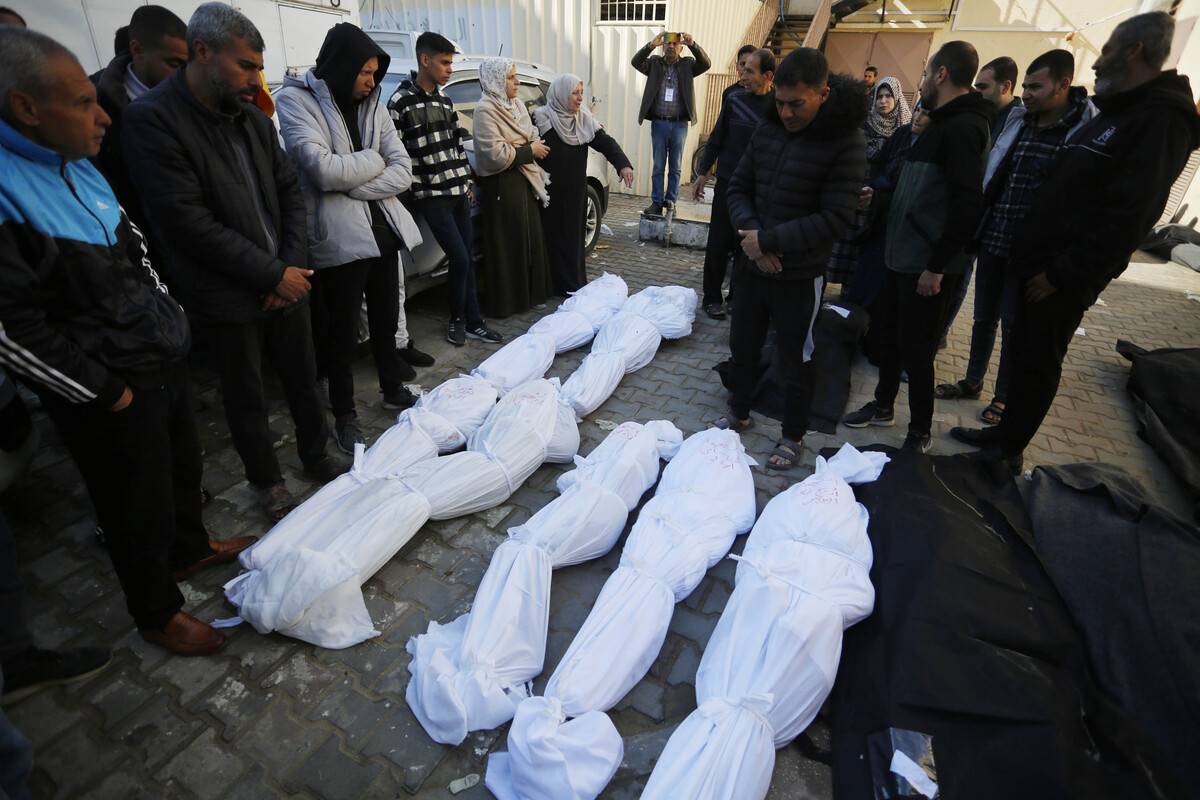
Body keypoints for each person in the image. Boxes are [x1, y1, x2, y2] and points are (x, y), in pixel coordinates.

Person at [0, 27, 255, 654]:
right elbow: (13, 331)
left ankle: (191, 548)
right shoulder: (7, 191)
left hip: (157, 357)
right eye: (84, 102)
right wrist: (104, 392)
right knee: (131, 503)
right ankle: (156, 610)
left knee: (180, 470)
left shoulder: (78, 166)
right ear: (27, 108)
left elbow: (137, 252)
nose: (104, 116)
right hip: (107, 384)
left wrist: (170, 318)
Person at [123, 3, 347, 522]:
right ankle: (266, 481)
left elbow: (290, 192)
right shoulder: (153, 122)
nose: (256, 78)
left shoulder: (250, 117)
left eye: (258, 66)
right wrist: (272, 274)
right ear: (203, 52)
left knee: (302, 376)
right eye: (246, 65)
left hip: (286, 279)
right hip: (223, 291)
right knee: (244, 392)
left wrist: (290, 268)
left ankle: (317, 454)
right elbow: (187, 223)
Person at [951, 12, 1200, 471]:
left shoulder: (1161, 121)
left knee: (1037, 364)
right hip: (1035, 267)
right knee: (1025, 358)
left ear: (1134, 52)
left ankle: (1004, 457)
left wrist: (1063, 274)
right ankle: (1002, 438)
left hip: (1057, 279)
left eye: (1105, 53)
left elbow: (1131, 216)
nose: (1098, 64)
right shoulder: (1122, 114)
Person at [274, 23, 431, 455]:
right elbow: (320, 169)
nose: (370, 81)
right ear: (341, 66)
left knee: (385, 320)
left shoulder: (374, 105)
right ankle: (344, 413)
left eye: (375, 72)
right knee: (341, 333)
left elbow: (402, 168)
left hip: (383, 230)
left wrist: (353, 181)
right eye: (364, 71)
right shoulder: (295, 100)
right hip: (338, 239)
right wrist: (372, 163)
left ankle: (391, 386)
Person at [718, 48, 867, 470]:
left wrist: (767, 241)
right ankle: (739, 410)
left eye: (796, 104)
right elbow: (737, 188)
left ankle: (793, 434)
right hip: (752, 265)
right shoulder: (768, 128)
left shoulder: (846, 140)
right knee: (742, 346)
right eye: (779, 102)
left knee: (796, 358)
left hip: (799, 275)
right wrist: (753, 239)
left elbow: (836, 216)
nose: (785, 113)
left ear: (822, 93)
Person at [842, 41, 994, 453]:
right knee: (888, 337)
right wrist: (882, 197)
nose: (922, 81)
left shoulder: (963, 129)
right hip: (900, 255)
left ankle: (919, 431)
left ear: (942, 74)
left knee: (918, 350)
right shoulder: (936, 125)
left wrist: (938, 266)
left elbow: (966, 205)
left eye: (926, 73)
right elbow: (917, 191)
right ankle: (883, 406)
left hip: (925, 265)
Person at [935, 49, 1097, 427]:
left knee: (1013, 326)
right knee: (983, 319)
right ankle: (972, 380)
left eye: (1036, 87)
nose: (1027, 93)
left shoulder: (1080, 132)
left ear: (1063, 85)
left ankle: (1003, 398)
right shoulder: (1022, 122)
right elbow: (998, 177)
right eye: (1025, 85)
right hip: (994, 238)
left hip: (1030, 254)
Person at [387, 32, 502, 347]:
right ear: (425, 60)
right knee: (461, 258)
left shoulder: (444, 100)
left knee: (465, 260)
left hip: (458, 195)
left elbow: (455, 145)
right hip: (430, 198)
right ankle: (458, 321)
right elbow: (395, 154)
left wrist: (466, 181)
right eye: (445, 62)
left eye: (451, 63)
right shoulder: (399, 102)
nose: (450, 69)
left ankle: (473, 322)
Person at [90, 5, 187, 239]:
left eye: (187, 66)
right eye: (174, 64)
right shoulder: (93, 105)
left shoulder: (192, 97)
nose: (183, 77)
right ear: (137, 50)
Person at [533, 73, 633, 296]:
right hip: (548, 193)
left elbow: (606, 143)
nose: (579, 99)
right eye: (574, 93)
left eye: (581, 93)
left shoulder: (584, 120)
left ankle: (572, 285)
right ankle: (549, 286)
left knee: (573, 239)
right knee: (550, 239)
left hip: (575, 192)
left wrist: (623, 165)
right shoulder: (540, 119)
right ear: (560, 95)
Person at [693, 47, 775, 319]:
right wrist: (703, 172)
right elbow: (717, 137)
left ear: (768, 76)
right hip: (729, 182)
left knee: (747, 247)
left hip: (759, 188)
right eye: (742, 68)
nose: (743, 75)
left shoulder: (778, 107)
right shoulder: (734, 99)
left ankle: (739, 298)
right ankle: (712, 298)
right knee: (719, 242)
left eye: (750, 71)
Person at [472, 57, 554, 318]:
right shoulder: (485, 110)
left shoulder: (516, 105)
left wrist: (520, 147)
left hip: (524, 180)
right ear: (496, 80)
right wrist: (527, 150)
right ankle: (508, 303)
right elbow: (493, 155)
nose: (516, 82)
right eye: (510, 77)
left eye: (515, 76)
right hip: (501, 186)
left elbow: (530, 135)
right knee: (507, 246)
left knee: (527, 241)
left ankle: (529, 297)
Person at [827, 75, 911, 290]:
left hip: (880, 197)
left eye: (888, 96)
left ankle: (851, 292)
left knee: (863, 249)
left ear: (897, 99)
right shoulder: (863, 122)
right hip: (854, 189)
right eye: (879, 96)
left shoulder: (904, 129)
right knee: (842, 241)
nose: (883, 101)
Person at [633, 31, 711, 216]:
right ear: (663, 47)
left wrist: (694, 44)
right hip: (659, 123)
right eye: (667, 44)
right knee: (659, 165)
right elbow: (635, 62)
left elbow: (706, 64)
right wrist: (651, 45)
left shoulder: (687, 65)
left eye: (675, 44)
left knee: (675, 166)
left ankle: (671, 202)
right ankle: (657, 202)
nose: (670, 47)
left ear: (681, 47)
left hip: (679, 124)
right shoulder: (654, 63)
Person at [974, 56, 1022, 143]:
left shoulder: (1022, 123)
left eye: (983, 87)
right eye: (976, 88)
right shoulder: (982, 114)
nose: (976, 93)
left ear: (1005, 87)